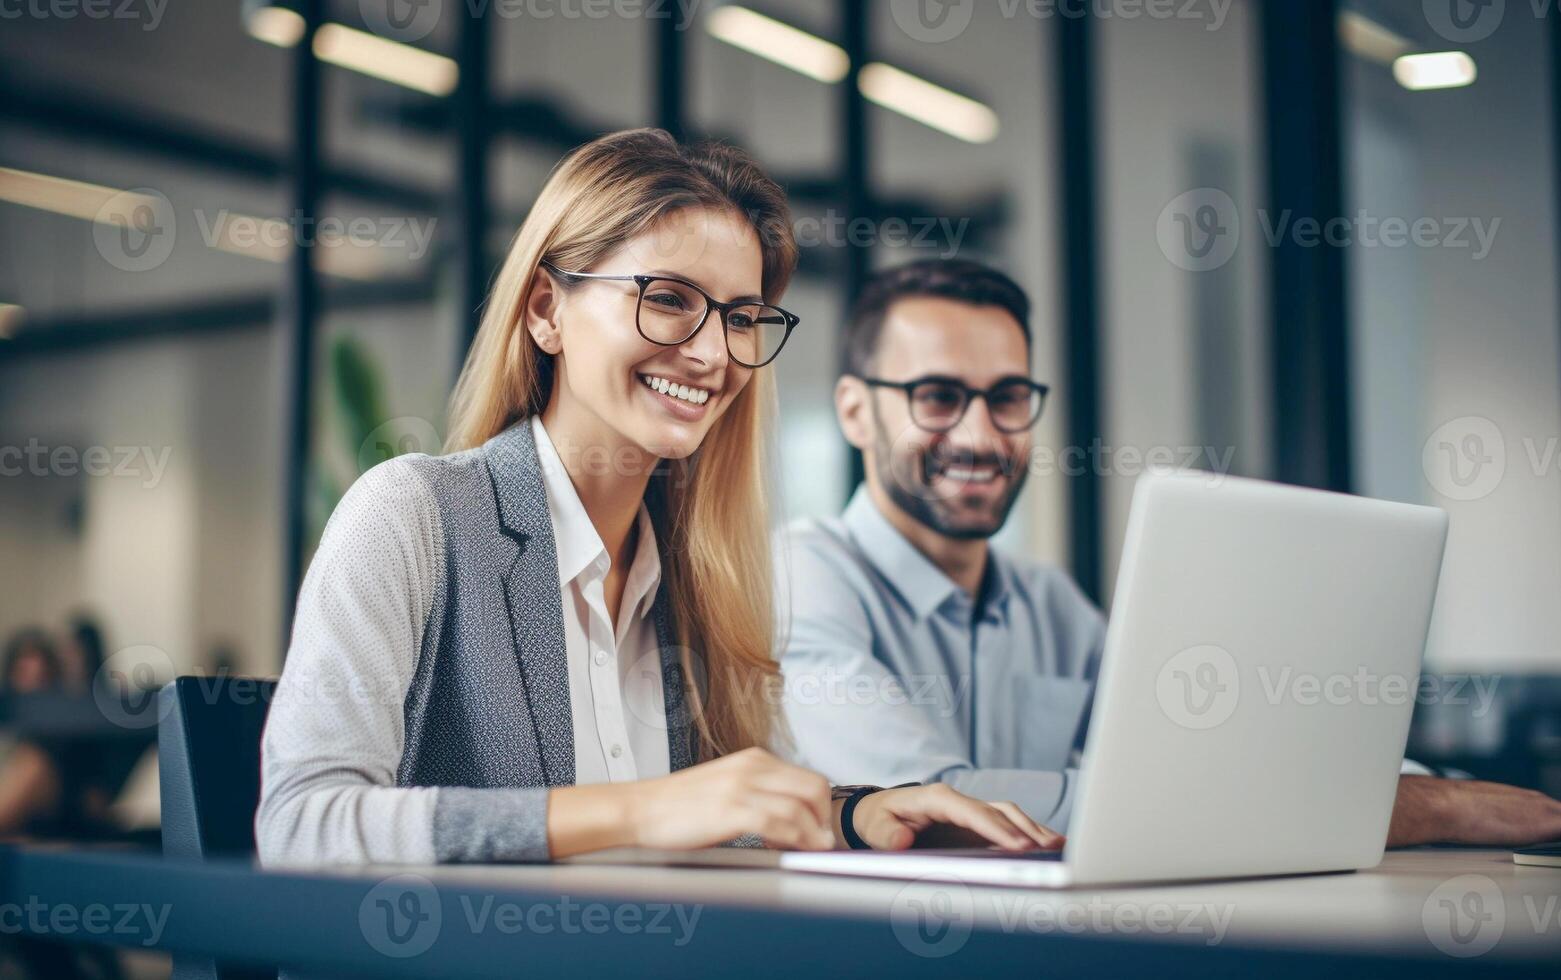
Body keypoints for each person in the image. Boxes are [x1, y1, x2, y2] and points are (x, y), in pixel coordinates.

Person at [256, 131, 1062, 866]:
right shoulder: (414, 515)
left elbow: (694, 818)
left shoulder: (690, 574)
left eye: (741, 317)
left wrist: (858, 815)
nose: (713, 353)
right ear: (546, 310)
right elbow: (302, 826)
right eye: (669, 298)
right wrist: (636, 810)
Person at [776, 257, 1561, 848]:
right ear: (853, 411)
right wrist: (1409, 811)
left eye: (1008, 397)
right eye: (939, 396)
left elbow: (1191, 753)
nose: (981, 436)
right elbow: (937, 803)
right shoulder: (800, 579)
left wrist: (1433, 790)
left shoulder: (1045, 600)